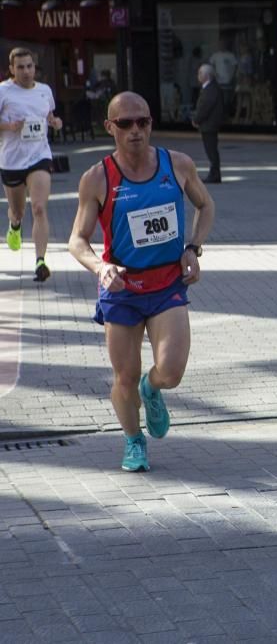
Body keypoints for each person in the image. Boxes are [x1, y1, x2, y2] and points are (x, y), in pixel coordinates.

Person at [68, 92, 216, 472]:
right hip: (122, 290)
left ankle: (153, 390)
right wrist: (100, 269)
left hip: (167, 284)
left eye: (143, 122)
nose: (135, 130)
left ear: (151, 123)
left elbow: (206, 205)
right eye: (125, 124)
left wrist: (193, 249)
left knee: (171, 371)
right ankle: (134, 441)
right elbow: (77, 241)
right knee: (125, 376)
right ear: (109, 128)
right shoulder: (98, 177)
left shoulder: (177, 164)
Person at [0, 47, 63, 282]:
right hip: (12, 160)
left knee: (38, 207)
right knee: (18, 211)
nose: (26, 72)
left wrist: (54, 122)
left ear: (34, 67)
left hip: (39, 156)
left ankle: (40, 261)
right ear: (11, 69)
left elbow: (49, 116)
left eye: (30, 66)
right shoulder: (3, 91)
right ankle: (15, 225)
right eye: (21, 67)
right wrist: (9, 126)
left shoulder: (44, 90)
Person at [192, 64, 224, 183]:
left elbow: (205, 107)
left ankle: (215, 174)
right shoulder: (210, 88)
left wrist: (196, 119)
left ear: (206, 75)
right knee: (210, 150)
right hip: (209, 124)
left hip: (209, 124)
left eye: (200, 73)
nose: (198, 76)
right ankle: (214, 173)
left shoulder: (211, 89)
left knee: (211, 150)